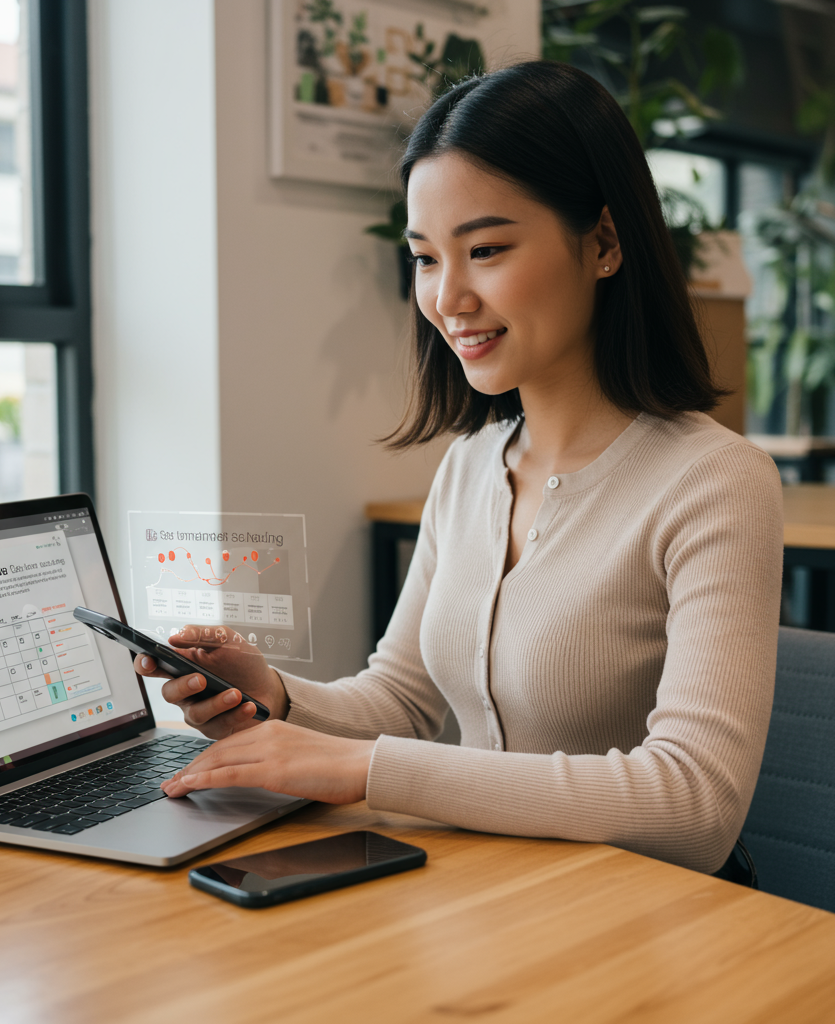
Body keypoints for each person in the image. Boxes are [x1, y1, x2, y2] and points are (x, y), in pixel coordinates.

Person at [135, 61, 783, 874]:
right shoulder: (470, 465)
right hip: (493, 898)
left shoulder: (717, 482)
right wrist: (274, 695)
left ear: (605, 244)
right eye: (426, 258)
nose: (448, 298)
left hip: (646, 925)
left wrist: (364, 770)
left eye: (485, 249)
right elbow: (400, 703)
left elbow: (694, 805)